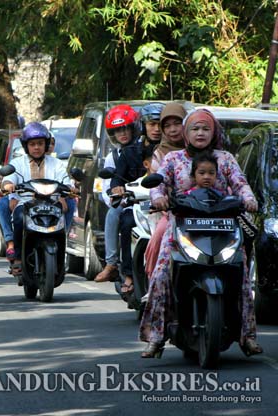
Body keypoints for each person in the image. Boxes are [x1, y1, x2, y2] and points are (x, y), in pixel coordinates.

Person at [139, 109, 263, 358]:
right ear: (187, 132)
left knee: (242, 275)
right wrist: (160, 197)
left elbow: (240, 184)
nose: (200, 133)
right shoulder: (173, 159)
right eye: (195, 128)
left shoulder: (226, 158)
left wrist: (249, 199)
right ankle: (156, 336)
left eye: (205, 128)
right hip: (183, 225)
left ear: (213, 132)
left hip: (224, 228)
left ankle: (247, 336)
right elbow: (159, 183)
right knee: (163, 272)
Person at [96, 103, 165, 294]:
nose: (156, 129)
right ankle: (126, 273)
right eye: (152, 124)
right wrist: (116, 188)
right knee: (126, 221)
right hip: (140, 204)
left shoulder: (176, 150)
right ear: (143, 125)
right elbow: (117, 177)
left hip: (169, 205)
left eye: (161, 124)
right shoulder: (130, 151)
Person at [1, 122, 69, 278]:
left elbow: (66, 181)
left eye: (40, 143)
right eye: (32, 144)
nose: (36, 147)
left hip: (52, 203)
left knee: (65, 214)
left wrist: (68, 191)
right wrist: (8, 185)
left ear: (46, 145)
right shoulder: (17, 163)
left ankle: (61, 255)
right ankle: (17, 256)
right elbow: (7, 178)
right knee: (18, 218)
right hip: (26, 203)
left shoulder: (57, 164)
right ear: (26, 146)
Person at [93, 104, 142, 283]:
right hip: (126, 202)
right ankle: (112, 263)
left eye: (126, 128)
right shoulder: (112, 157)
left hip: (150, 201)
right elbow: (108, 186)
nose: (122, 133)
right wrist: (116, 196)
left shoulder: (144, 148)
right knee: (113, 214)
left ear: (134, 128)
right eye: (117, 130)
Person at [143, 102, 188, 280]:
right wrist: (160, 198)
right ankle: (154, 285)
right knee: (159, 238)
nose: (173, 130)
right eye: (167, 126)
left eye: (177, 123)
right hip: (173, 213)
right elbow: (156, 181)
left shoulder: (206, 152)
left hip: (209, 214)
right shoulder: (162, 155)